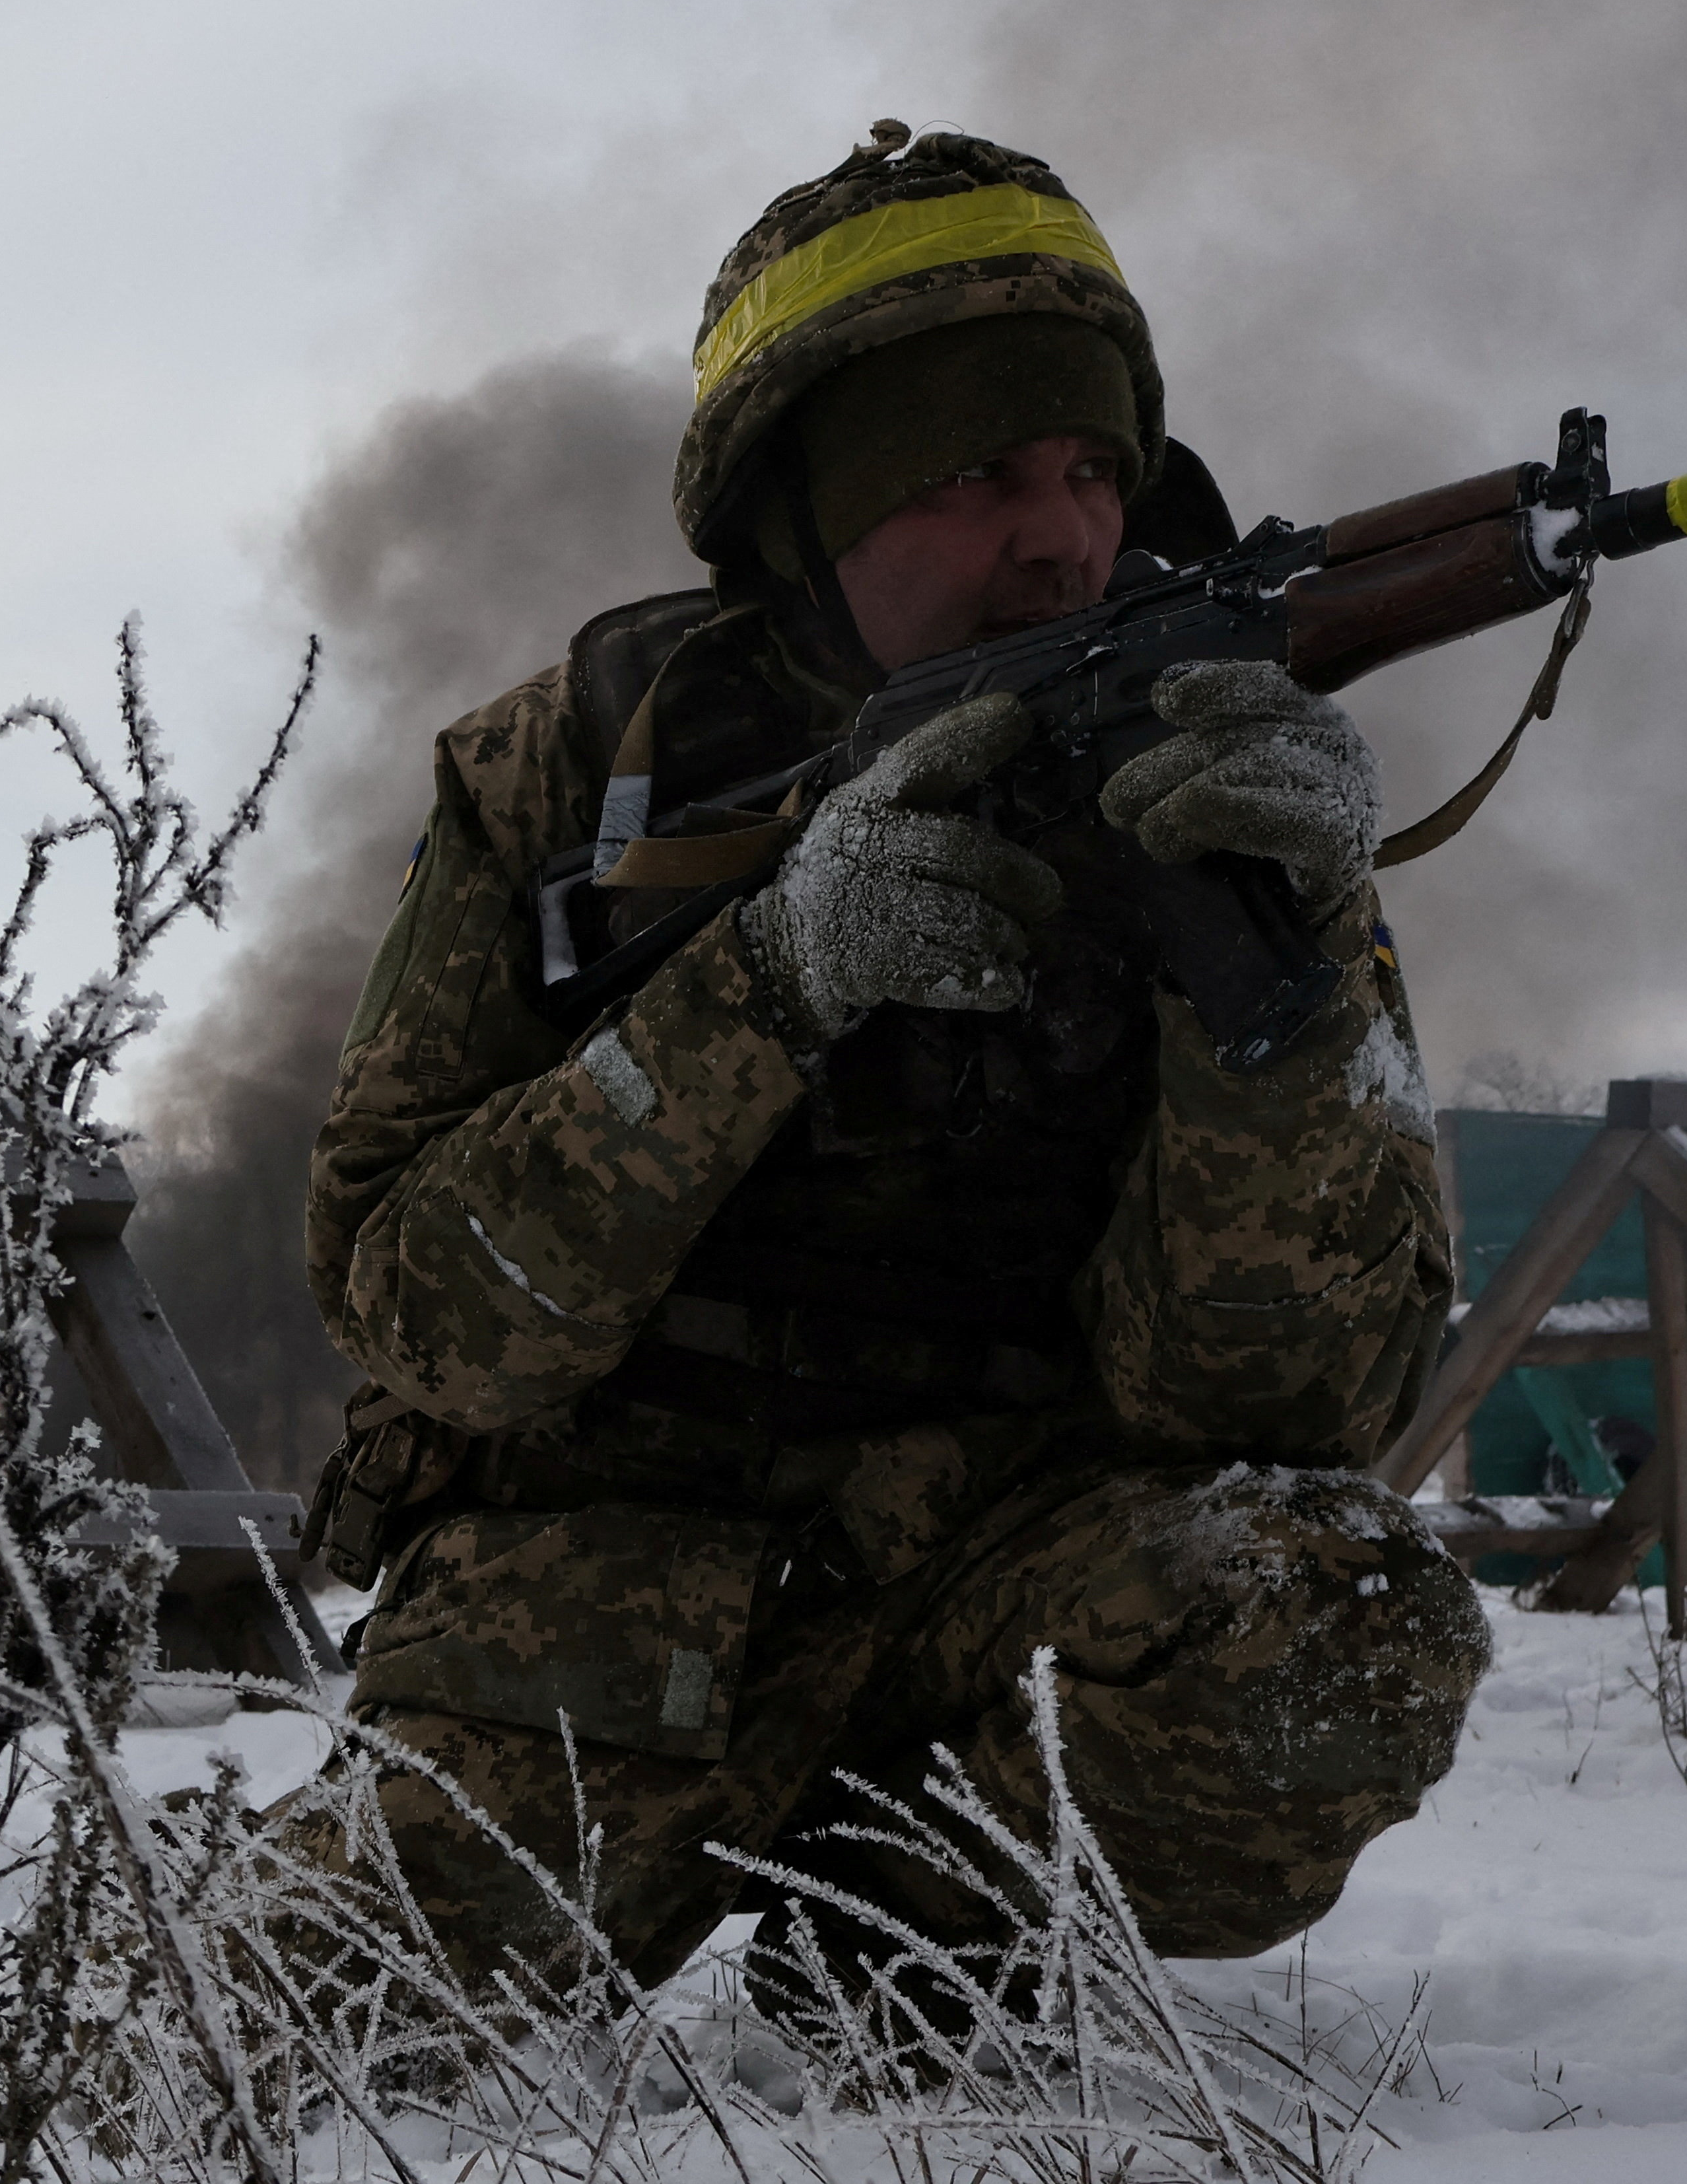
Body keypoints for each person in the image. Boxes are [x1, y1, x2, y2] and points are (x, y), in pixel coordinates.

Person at [299, 123, 1490, 2004]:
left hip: (1003, 1586)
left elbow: (1301, 1419)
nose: (1064, 535)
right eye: (977, 471)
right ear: (801, 509)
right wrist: (766, 985)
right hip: (605, 1616)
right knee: (261, 2051)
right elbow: (419, 1315)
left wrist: (1288, 983)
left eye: (1097, 468)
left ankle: (913, 1936)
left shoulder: (1219, 780)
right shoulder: (570, 775)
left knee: (1336, 1606)